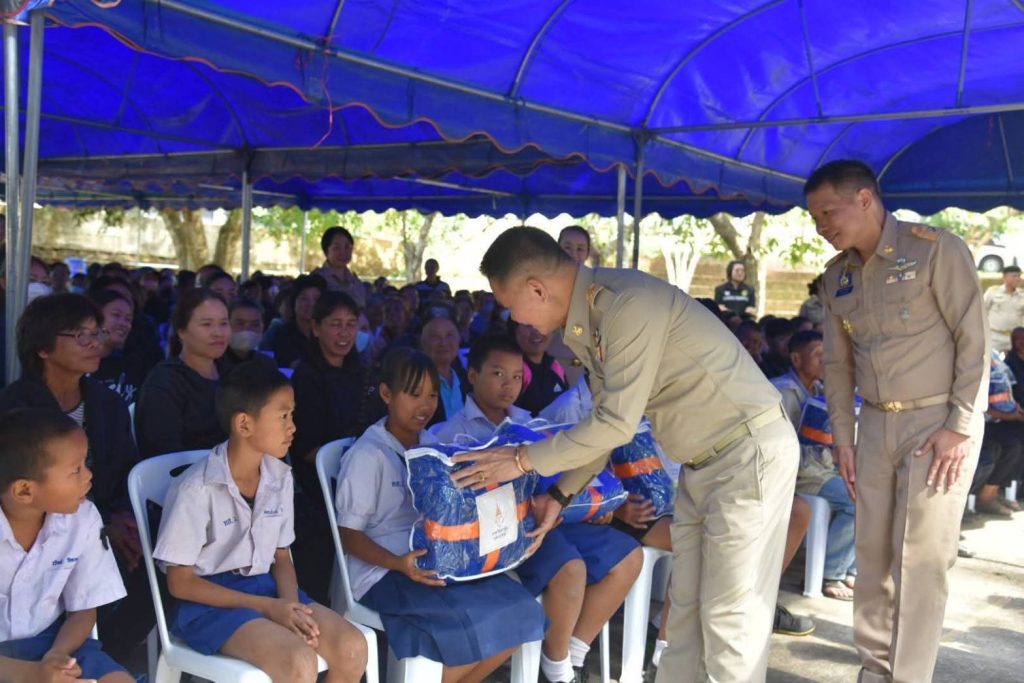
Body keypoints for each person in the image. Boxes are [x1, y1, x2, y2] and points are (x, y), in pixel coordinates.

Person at [453, 226, 799, 682]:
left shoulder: (626, 305)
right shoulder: (590, 320)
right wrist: (559, 495)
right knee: (685, 616)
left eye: (512, 305)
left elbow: (615, 423)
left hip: (745, 454)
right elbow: (607, 426)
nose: (516, 319)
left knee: (729, 620)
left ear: (536, 289)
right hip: (703, 463)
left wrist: (521, 460)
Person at [808, 159, 987, 683]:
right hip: (873, 426)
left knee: (920, 560)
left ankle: (908, 676)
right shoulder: (837, 277)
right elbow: (836, 365)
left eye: (827, 212)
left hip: (937, 424)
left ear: (864, 199)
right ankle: (874, 669)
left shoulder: (935, 250)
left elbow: (974, 340)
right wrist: (843, 438)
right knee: (871, 554)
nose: (821, 227)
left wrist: (960, 425)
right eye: (814, 217)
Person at [433, 334, 641, 682]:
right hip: (503, 535)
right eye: (498, 374)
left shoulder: (531, 424)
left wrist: (586, 505)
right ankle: (557, 670)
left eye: (517, 376)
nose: (509, 385)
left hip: (549, 520)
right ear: (472, 375)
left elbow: (557, 477)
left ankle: (573, 654)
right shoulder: (450, 434)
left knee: (629, 556)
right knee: (570, 568)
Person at [335, 348, 545, 679]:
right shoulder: (368, 454)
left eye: (432, 395)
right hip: (385, 571)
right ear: (387, 394)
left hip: (440, 561)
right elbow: (348, 535)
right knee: (469, 621)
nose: (425, 405)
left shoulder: (432, 446)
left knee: (522, 611)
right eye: (414, 394)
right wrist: (399, 564)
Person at [153, 363, 367, 680]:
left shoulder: (279, 477)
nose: (292, 427)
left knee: (353, 647)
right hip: (211, 606)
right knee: (298, 661)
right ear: (244, 424)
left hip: (269, 590)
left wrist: (290, 608)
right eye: (283, 416)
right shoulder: (195, 489)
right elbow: (180, 583)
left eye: (292, 415)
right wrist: (267, 607)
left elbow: (282, 557)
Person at [0, 409, 133, 683]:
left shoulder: (83, 519)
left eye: (86, 463)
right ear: (24, 490)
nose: (88, 476)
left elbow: (83, 608)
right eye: (75, 470)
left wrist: (57, 656)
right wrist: (32, 675)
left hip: (55, 643)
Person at [770, 330, 857, 600]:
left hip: (821, 468)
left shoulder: (820, 390)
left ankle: (849, 568)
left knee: (872, 491)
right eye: (818, 353)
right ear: (796, 359)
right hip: (799, 473)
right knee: (856, 501)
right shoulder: (782, 391)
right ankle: (830, 573)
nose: (825, 359)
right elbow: (776, 444)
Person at [134, 289, 229, 459]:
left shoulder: (232, 375)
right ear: (181, 331)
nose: (218, 332)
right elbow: (162, 454)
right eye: (207, 324)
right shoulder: (164, 383)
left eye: (223, 323)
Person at [512, 321, 570, 416]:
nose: (536, 331)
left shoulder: (556, 367)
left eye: (542, 324)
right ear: (515, 329)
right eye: (528, 325)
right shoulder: (513, 369)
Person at [419, 314, 469, 426]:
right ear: (423, 343)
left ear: (459, 339)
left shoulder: (469, 381)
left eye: (449, 335)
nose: (443, 343)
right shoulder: (415, 383)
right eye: (435, 336)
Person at [268, 275, 325, 369]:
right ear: (294, 303)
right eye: (304, 298)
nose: (310, 304)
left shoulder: (328, 334)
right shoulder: (283, 334)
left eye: (316, 299)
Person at [219, 297, 279, 376]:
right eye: (240, 324)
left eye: (255, 324)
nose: (247, 330)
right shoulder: (212, 364)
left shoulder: (267, 365)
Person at [314, 226, 365, 308]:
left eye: (347, 247)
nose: (343, 252)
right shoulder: (317, 279)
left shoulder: (355, 282)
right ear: (326, 250)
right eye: (337, 248)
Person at [983, 264, 1024, 354]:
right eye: (1014, 276)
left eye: (1019, 276)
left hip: (1014, 337)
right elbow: (982, 311)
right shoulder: (993, 292)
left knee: (1015, 362)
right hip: (995, 336)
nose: (1017, 279)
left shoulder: (1021, 295)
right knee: (991, 360)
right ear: (1004, 278)